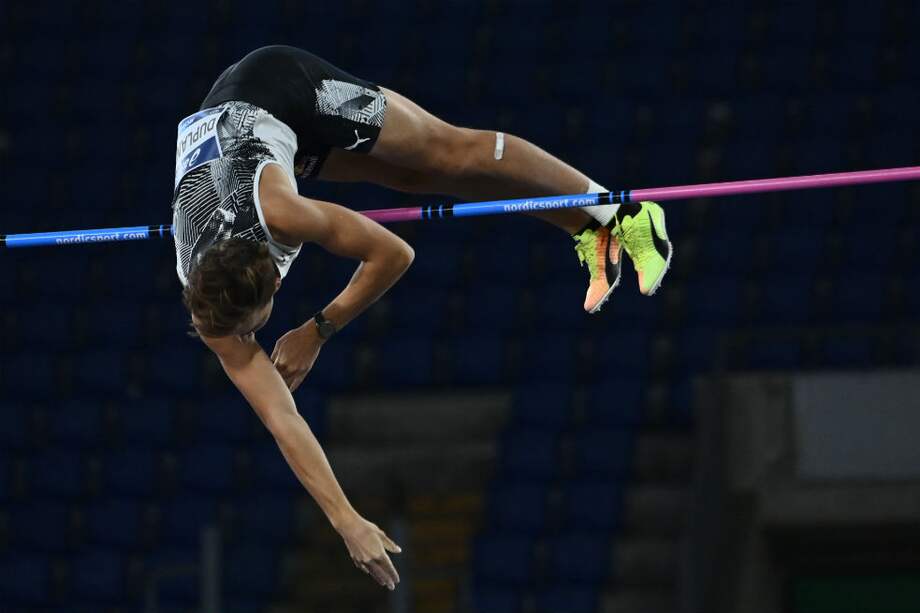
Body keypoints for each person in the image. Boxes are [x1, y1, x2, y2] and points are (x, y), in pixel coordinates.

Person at [172, 45, 672, 591]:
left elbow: (393, 253)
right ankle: (585, 229)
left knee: (447, 150)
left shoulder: (286, 214)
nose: (251, 337)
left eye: (255, 324)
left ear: (272, 276)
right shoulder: (213, 310)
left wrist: (318, 328)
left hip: (281, 87)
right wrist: (346, 521)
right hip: (244, 134)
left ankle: (624, 214)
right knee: (412, 179)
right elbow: (281, 419)